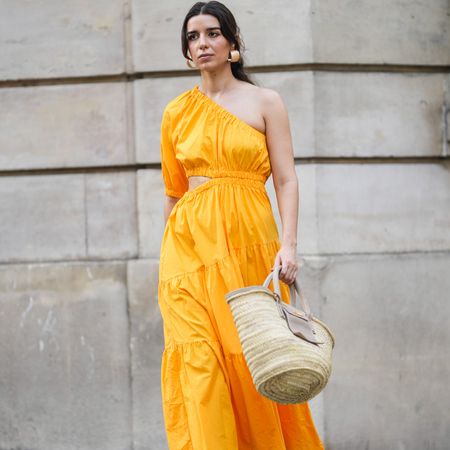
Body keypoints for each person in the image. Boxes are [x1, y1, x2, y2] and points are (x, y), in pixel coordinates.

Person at [158, 2, 324, 448]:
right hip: (188, 254)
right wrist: (169, 259)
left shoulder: (265, 101)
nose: (202, 43)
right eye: (193, 37)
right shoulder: (176, 112)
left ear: (232, 44)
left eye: (212, 33)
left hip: (248, 246)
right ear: (187, 52)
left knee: (250, 358)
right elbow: (175, 194)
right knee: (200, 363)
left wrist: (288, 247)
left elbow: (286, 179)